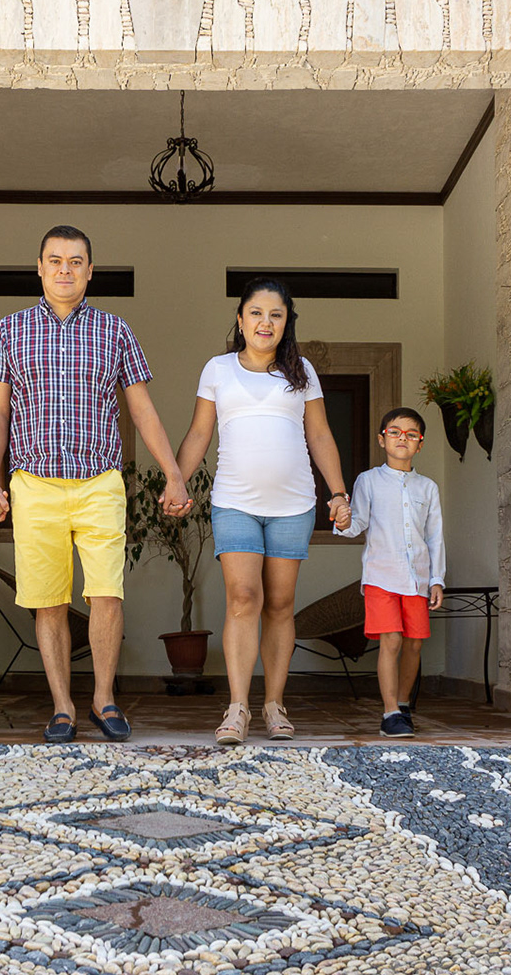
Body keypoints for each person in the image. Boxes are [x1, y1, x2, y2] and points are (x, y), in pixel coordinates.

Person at [0, 225, 191, 744]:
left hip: (101, 482)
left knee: (106, 595)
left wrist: (174, 473)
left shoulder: (115, 331)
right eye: (55, 261)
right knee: (48, 601)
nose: (65, 270)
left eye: (76, 262)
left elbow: (141, 409)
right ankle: (61, 708)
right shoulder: (9, 331)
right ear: (39, 267)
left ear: (90, 271)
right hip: (34, 485)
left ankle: (103, 699)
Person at [172, 278, 350, 745]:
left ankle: (274, 703)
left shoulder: (302, 371)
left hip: (293, 505)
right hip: (235, 502)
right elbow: (198, 434)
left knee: (280, 604)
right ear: (240, 319)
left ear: (286, 322)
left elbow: (321, 436)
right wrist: (176, 480)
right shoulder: (218, 369)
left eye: (275, 314)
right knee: (243, 598)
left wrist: (338, 492)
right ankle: (237, 707)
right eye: (256, 313)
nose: (265, 322)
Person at [335, 406, 445, 737]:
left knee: (413, 644)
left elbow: (435, 536)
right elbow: (358, 523)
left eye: (412, 435)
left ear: (420, 444)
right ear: (382, 439)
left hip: (418, 577)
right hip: (382, 575)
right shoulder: (368, 481)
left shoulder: (428, 488)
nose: (403, 439)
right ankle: (389, 713)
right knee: (391, 640)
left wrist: (437, 579)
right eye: (395, 433)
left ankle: (404, 704)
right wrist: (343, 521)